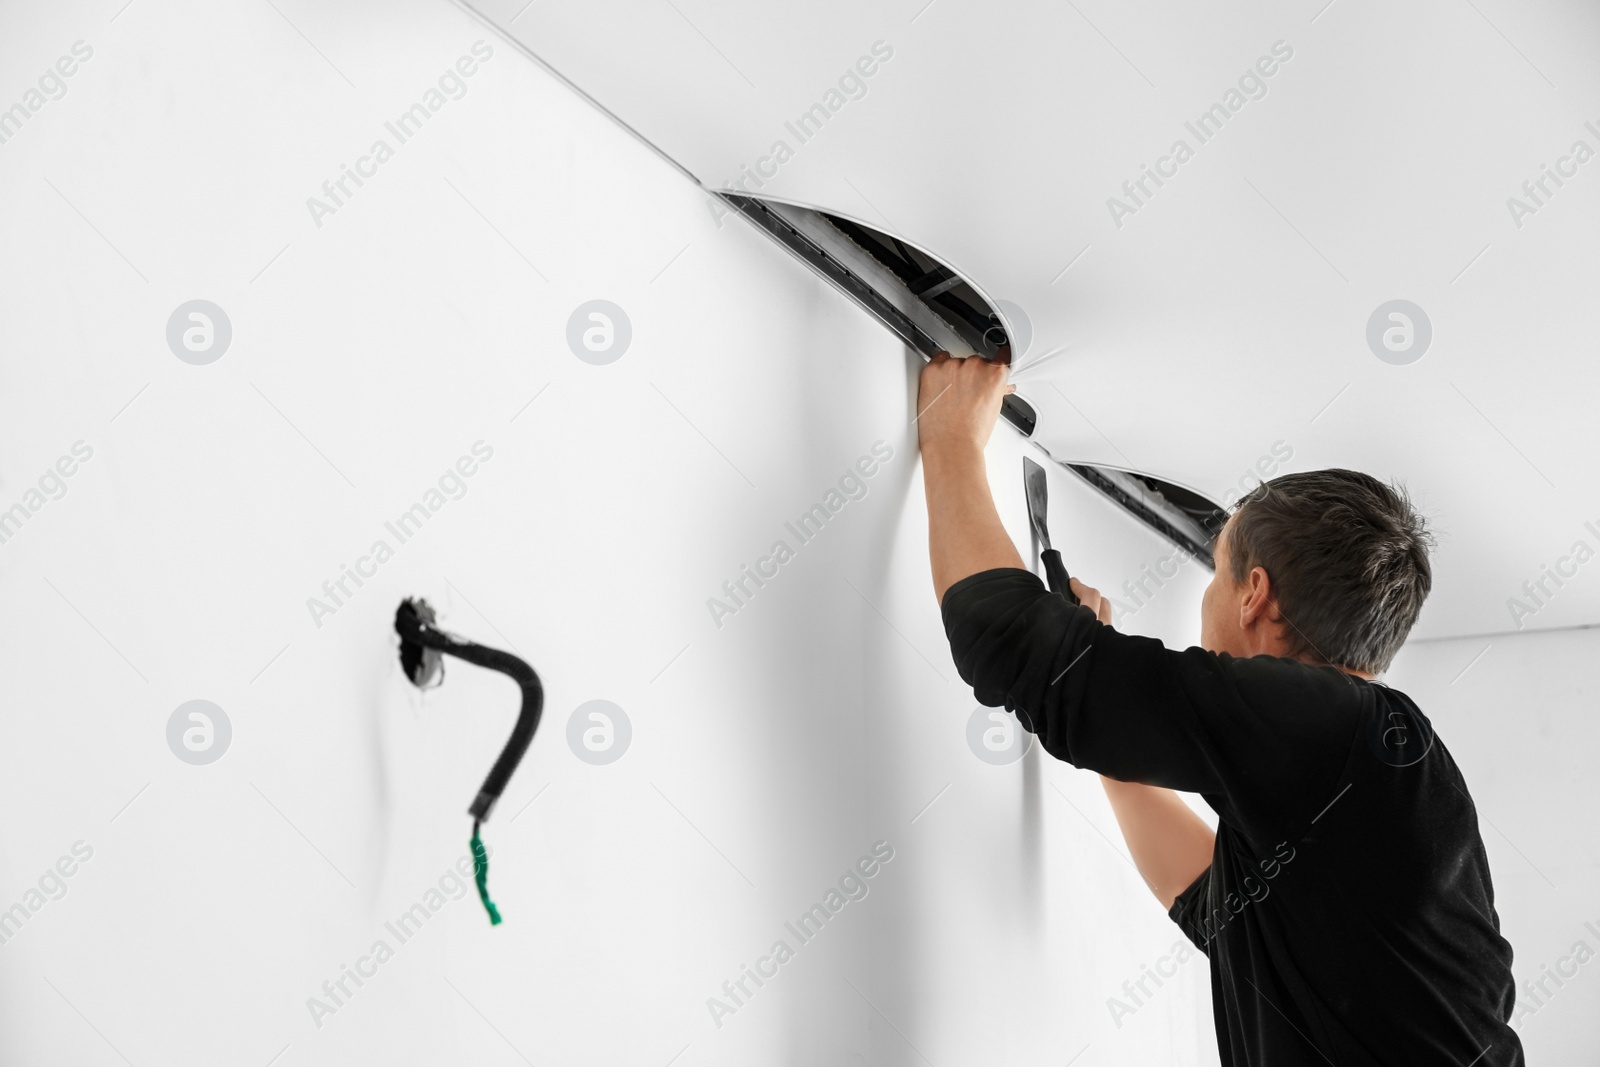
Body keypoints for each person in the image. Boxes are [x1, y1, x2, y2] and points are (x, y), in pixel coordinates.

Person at [917, 350, 1524, 1066]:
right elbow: (1220, 906)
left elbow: (1011, 647)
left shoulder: (1338, 729)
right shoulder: (1363, 768)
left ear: (1255, 594)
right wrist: (1115, 742)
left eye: (1217, 568)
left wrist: (949, 436)